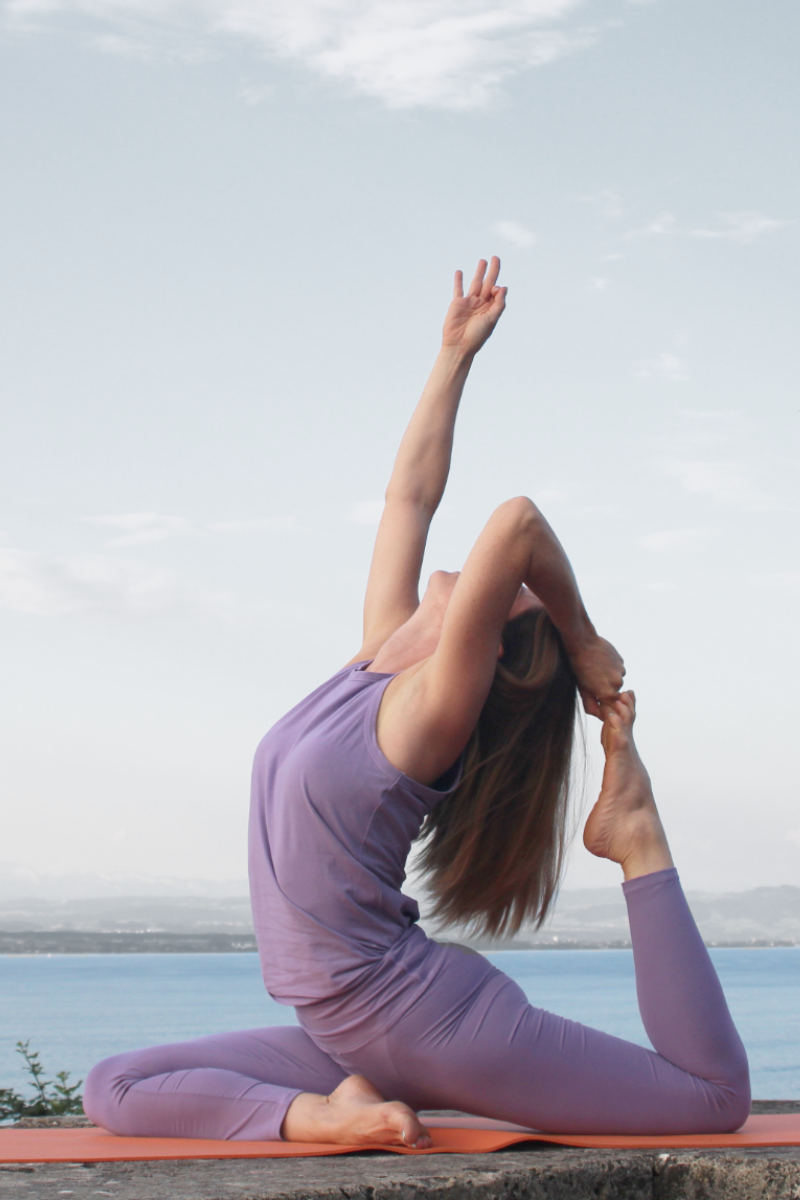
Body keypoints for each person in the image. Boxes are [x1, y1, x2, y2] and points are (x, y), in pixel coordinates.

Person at [84, 258, 750, 1147]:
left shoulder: (430, 714)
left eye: (509, 596)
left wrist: (581, 640)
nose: (489, 580)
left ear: (493, 650)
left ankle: (639, 840)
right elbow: (410, 496)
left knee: (711, 1099)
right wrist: (452, 358)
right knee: (114, 1085)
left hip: (426, 1021)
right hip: (344, 1030)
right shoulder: (379, 655)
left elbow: (515, 523)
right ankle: (326, 1115)